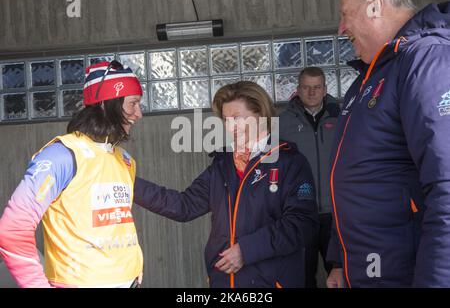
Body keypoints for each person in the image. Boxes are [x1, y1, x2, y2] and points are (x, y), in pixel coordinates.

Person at [134, 81, 319, 288]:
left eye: (237, 118)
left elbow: (302, 224)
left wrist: (246, 251)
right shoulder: (222, 165)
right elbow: (183, 205)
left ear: (260, 114)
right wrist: (127, 182)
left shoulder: (290, 161)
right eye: (225, 120)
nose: (230, 127)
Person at [326, 0, 450, 288]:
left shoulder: (425, 60)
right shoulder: (367, 79)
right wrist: (340, 260)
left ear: (373, 6)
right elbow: (353, 178)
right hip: (368, 270)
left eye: (345, 14)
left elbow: (446, 188)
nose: (342, 28)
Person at [0, 60, 144, 287]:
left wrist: (133, 266)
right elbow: (13, 229)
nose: (139, 114)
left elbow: (114, 224)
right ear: (108, 104)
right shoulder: (62, 156)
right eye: (133, 103)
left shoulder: (124, 160)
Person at [279, 67, 340, 287]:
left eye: (317, 87)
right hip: (300, 214)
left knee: (342, 274)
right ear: (298, 90)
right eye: (306, 87)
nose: (312, 92)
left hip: (335, 213)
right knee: (301, 278)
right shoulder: (282, 123)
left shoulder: (341, 118)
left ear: (325, 90)